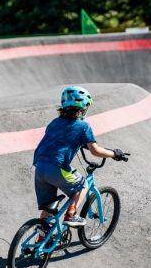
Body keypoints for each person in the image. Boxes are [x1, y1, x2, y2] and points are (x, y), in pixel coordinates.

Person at [32, 86, 129, 231]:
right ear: (83, 108)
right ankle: (71, 214)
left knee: (49, 206)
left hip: (39, 167)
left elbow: (60, 139)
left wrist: (78, 143)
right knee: (83, 185)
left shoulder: (54, 123)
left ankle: (41, 240)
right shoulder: (83, 126)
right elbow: (95, 151)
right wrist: (114, 154)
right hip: (57, 168)